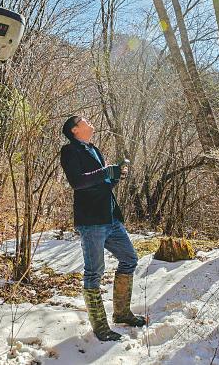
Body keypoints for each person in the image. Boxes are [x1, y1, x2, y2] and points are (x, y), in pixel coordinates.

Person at [59, 115, 146, 342]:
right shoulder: (70, 151)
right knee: (94, 272)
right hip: (91, 221)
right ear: (75, 130)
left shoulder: (94, 149)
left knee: (129, 259)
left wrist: (115, 176)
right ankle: (100, 327)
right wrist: (105, 172)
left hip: (111, 218)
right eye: (84, 120)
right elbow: (77, 182)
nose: (89, 122)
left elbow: (102, 183)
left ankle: (122, 313)